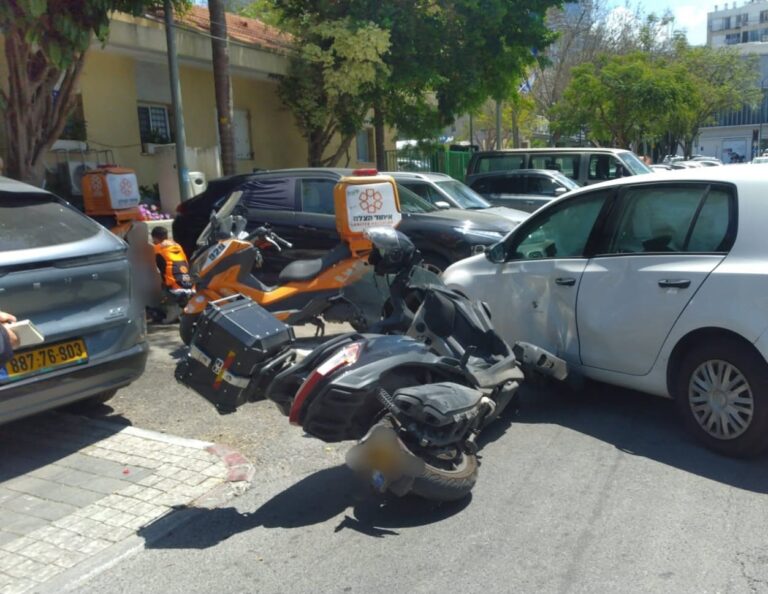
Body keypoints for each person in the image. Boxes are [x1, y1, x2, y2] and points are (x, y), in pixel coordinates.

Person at [149, 226, 193, 323]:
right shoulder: (178, 246)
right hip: (190, 286)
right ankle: (180, 306)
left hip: (175, 290)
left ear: (155, 238)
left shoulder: (157, 249)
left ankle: (172, 308)